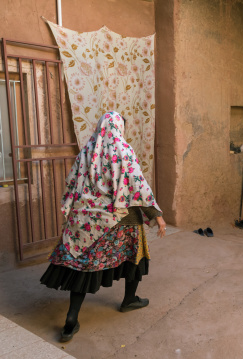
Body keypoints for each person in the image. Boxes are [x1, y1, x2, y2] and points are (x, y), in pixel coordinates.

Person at [40, 111, 166, 342]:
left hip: (86, 220)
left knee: (82, 265)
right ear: (119, 128)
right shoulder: (123, 150)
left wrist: (70, 207)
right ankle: (129, 300)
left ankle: (72, 318)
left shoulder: (86, 152)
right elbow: (137, 186)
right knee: (135, 257)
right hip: (121, 218)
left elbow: (72, 184)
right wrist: (156, 215)